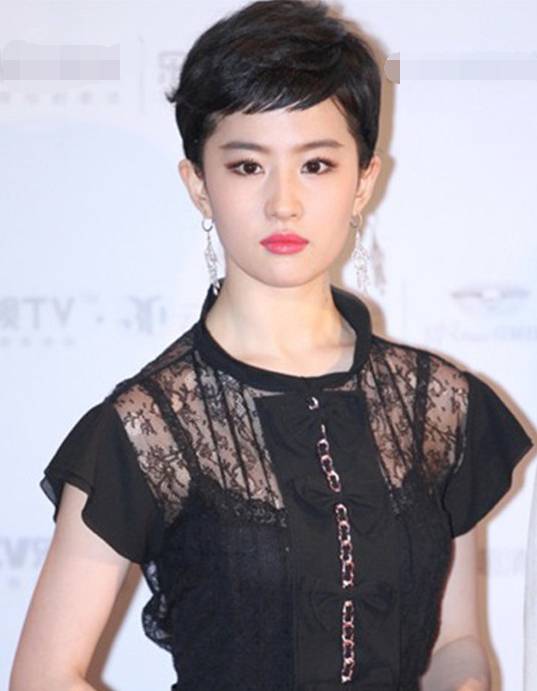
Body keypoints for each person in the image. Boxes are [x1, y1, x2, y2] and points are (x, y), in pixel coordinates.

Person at [10, 1, 534, 689]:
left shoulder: (437, 403)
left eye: (315, 164)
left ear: (363, 181)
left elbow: (457, 641)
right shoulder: (145, 428)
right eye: (247, 166)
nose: (284, 202)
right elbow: (44, 676)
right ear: (199, 184)